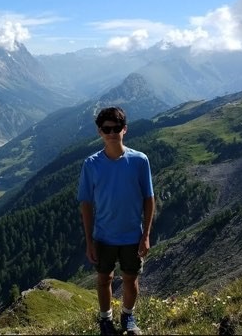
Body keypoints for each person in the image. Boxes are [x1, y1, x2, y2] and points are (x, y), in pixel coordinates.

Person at [77, 106, 155, 335]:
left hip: (132, 235)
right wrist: (89, 241)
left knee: (130, 280)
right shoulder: (91, 165)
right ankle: (105, 320)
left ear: (125, 130)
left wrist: (146, 235)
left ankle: (128, 317)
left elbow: (149, 199)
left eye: (116, 128)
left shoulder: (140, 161)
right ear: (99, 132)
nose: (112, 133)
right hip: (103, 236)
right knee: (104, 279)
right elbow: (86, 204)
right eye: (106, 129)